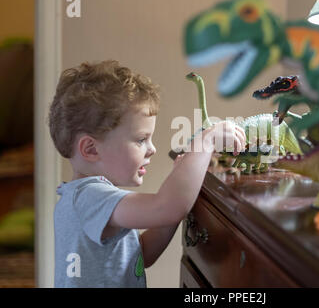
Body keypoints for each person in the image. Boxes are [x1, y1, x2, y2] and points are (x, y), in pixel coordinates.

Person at [47, 60, 246, 287]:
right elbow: (166, 207)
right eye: (141, 139)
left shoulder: (82, 198)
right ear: (91, 149)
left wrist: (179, 187)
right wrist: (205, 141)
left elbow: (140, 255)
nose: (152, 148)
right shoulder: (91, 198)